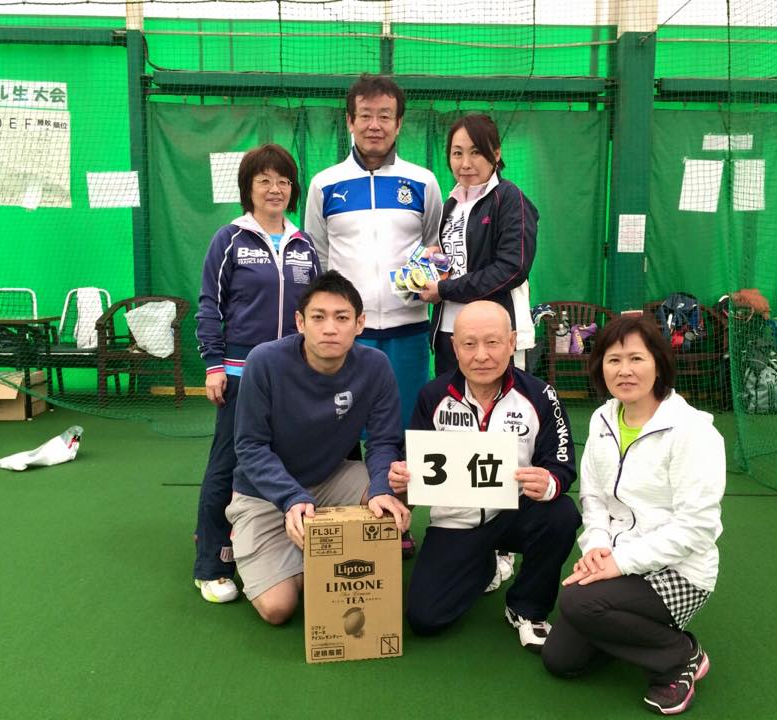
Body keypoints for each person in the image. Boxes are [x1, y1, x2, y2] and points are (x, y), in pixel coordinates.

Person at [541, 315, 725, 716]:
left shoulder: (693, 431)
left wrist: (619, 563)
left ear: (659, 363)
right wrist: (597, 548)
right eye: (613, 360)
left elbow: (697, 528)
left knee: (578, 603)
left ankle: (680, 656)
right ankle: (627, 630)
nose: (624, 370)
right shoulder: (602, 419)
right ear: (600, 367)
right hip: (619, 558)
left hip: (680, 571)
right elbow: (593, 498)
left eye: (636, 358)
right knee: (561, 660)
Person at [388, 301, 581, 653]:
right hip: (456, 522)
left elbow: (562, 464)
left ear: (512, 342)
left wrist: (549, 481)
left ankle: (526, 607)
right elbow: (413, 462)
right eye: (469, 344)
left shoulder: (540, 396)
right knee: (425, 619)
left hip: (515, 514)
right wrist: (403, 474)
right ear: (454, 346)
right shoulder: (433, 396)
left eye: (492, 342)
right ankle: (484, 564)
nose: (481, 355)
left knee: (561, 514)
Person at [305, 73, 443, 559]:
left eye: (385, 116)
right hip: (347, 339)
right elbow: (319, 258)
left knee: (400, 432)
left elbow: (432, 246)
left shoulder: (423, 182)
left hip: (407, 333)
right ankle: (343, 521)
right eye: (365, 115)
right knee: (339, 431)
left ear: (399, 123)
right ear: (350, 121)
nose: (375, 125)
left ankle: (397, 522)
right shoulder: (324, 184)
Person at [225, 270, 410, 625]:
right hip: (264, 494)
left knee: (400, 487)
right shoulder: (264, 361)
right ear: (300, 322)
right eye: (318, 317)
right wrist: (291, 498)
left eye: (341, 318)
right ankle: (267, 542)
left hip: (329, 480)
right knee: (278, 608)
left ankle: (330, 547)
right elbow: (250, 447)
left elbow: (383, 441)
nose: (330, 329)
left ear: (359, 324)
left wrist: (381, 489)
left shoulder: (375, 366)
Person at [192, 144, 320, 604]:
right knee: (229, 463)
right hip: (240, 373)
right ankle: (211, 563)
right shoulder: (229, 239)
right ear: (248, 188)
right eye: (264, 180)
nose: (274, 189)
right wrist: (214, 365)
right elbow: (210, 305)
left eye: (283, 181)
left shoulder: (305, 245)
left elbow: (316, 311)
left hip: (292, 375)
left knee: (285, 460)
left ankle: (279, 550)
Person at [419, 114, 537, 376]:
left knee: (500, 403)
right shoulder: (451, 204)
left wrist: (445, 289)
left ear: (496, 153)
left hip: (495, 337)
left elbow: (513, 268)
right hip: (451, 335)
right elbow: (464, 262)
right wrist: (438, 259)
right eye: (457, 153)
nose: (465, 163)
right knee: (452, 402)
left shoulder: (509, 198)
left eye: (476, 152)